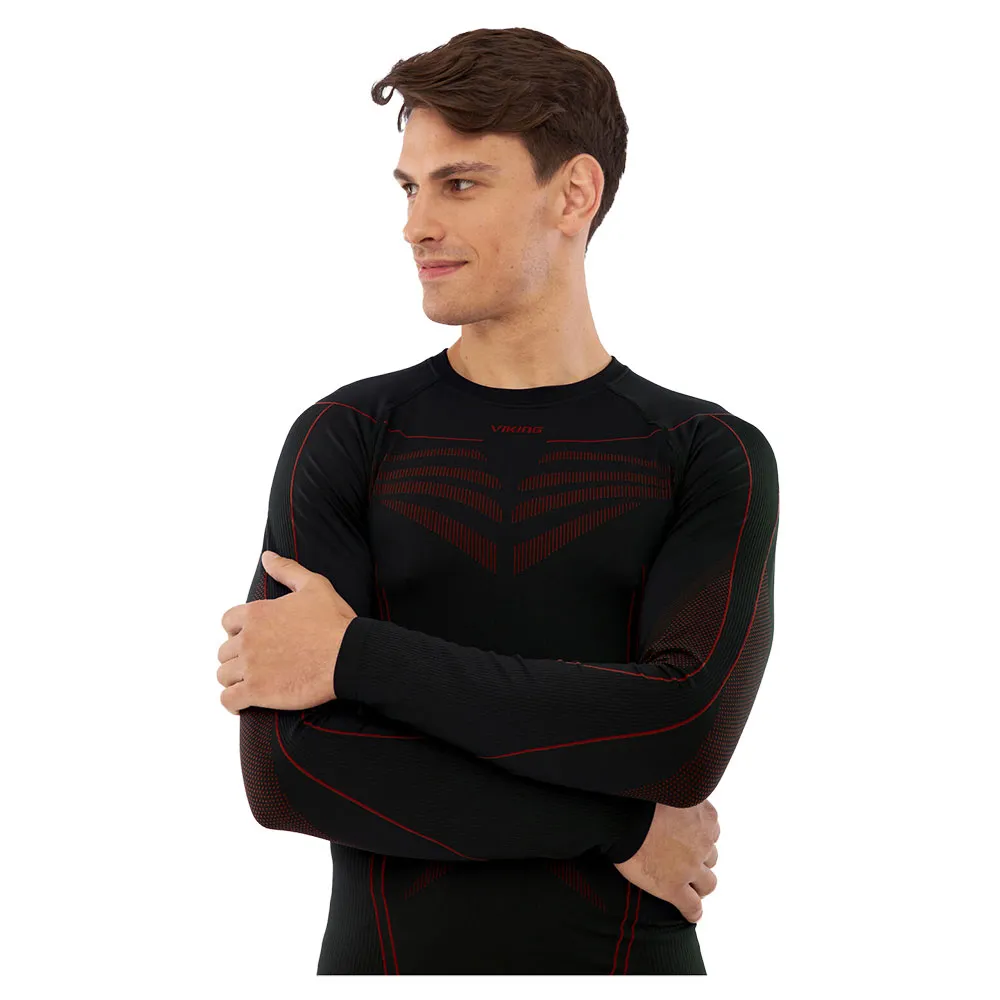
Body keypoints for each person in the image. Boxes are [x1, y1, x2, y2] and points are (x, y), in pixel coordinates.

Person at [218, 27, 779, 975]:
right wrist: (619, 826)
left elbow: (679, 736)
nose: (415, 225)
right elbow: (292, 773)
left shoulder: (706, 453)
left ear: (574, 193)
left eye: (460, 184)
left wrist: (353, 656)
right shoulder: (347, 436)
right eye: (409, 188)